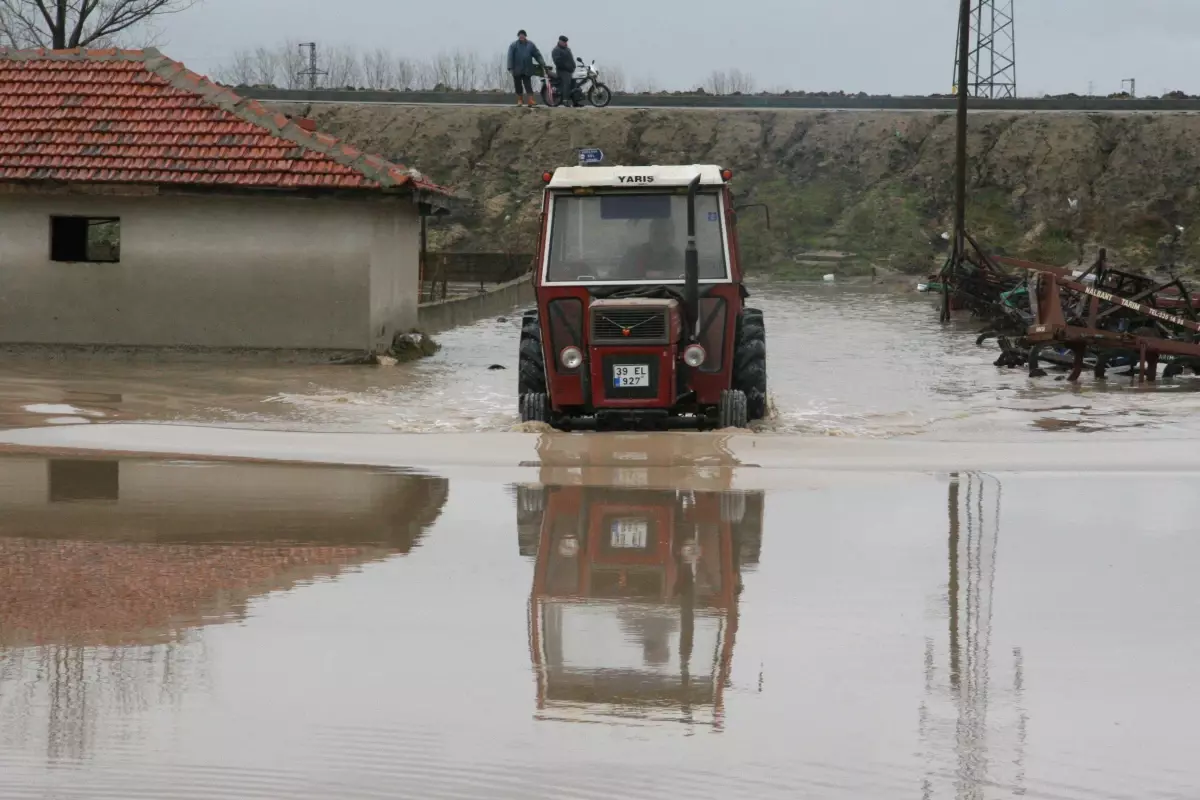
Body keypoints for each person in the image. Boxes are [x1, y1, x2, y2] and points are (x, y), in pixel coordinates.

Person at [507, 29, 546, 107]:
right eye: (520, 35)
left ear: (525, 36)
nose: (521, 36)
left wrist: (542, 63)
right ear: (518, 36)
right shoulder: (513, 45)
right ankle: (520, 100)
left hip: (527, 68)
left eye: (523, 35)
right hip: (516, 69)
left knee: (528, 84)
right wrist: (510, 68)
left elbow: (537, 54)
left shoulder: (530, 45)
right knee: (518, 85)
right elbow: (510, 57)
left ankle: (530, 100)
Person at [551, 35, 577, 107]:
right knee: (567, 83)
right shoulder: (556, 50)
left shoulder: (567, 49)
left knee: (574, 84)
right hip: (562, 71)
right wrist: (567, 67)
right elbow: (558, 62)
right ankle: (565, 100)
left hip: (570, 70)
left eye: (566, 42)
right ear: (559, 41)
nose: (565, 43)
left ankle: (575, 101)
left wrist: (574, 66)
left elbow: (571, 59)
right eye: (563, 42)